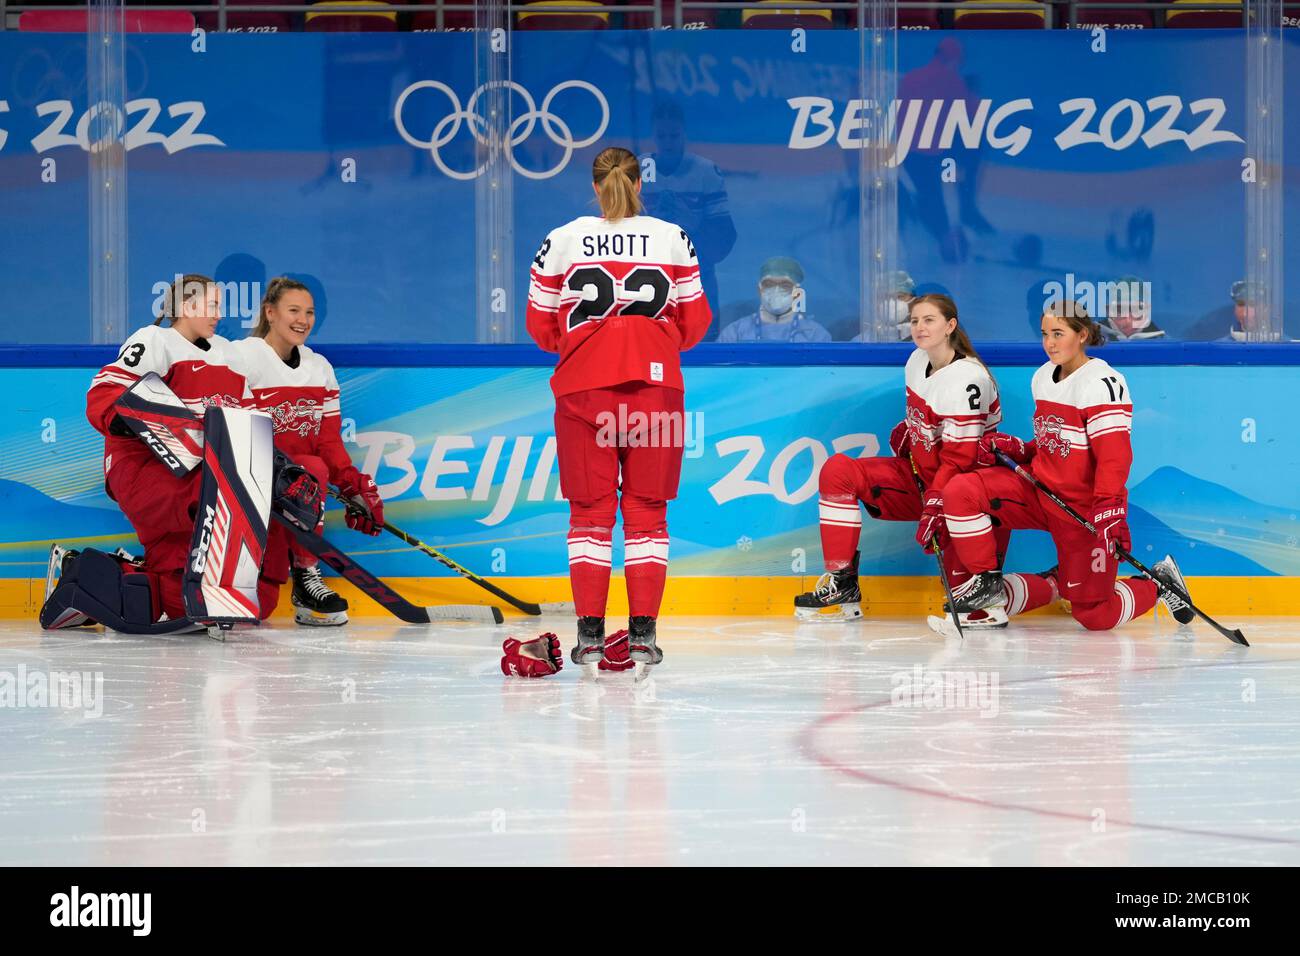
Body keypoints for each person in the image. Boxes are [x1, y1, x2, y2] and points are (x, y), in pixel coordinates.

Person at [525, 145, 712, 674]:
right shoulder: (674, 238)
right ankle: (643, 638)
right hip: (655, 393)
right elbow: (696, 324)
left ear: (594, 183)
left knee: (588, 518)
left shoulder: (559, 239)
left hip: (583, 393)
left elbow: (540, 328)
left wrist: (592, 346)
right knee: (648, 518)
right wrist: (648, 341)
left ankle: (587, 638)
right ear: (639, 182)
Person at [941, 300, 1193, 629]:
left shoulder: (1102, 383)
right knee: (963, 490)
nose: (1050, 343)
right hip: (1038, 491)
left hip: (1082, 508)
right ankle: (988, 587)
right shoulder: (1043, 377)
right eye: (1045, 334)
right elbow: (1054, 444)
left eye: (1059, 333)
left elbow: (1114, 455)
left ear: (1082, 334)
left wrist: (1109, 505)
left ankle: (1158, 583)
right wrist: (1020, 449)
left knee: (1094, 615)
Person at [795, 294, 1008, 623]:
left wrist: (936, 504)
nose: (920, 328)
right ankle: (842, 582)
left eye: (929, 320)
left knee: (973, 606)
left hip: (965, 497)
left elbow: (960, 460)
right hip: (924, 485)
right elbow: (924, 427)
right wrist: (910, 435)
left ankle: (1051, 584)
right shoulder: (916, 362)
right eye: (914, 321)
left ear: (950, 325)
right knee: (838, 471)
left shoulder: (968, 378)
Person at [83, 274, 252, 622]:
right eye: (213, 305)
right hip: (141, 467)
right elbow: (104, 391)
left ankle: (125, 576)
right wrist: (120, 417)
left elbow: (249, 420)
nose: (219, 314)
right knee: (183, 598)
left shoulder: (230, 355)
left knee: (217, 595)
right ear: (187, 306)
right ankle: (91, 577)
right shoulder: (154, 340)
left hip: (199, 472)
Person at [234, 277, 384, 626]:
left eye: (310, 312)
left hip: (297, 491)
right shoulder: (242, 358)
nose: (303, 320)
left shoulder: (319, 369)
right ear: (270, 313)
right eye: (294, 310)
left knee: (313, 467)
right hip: (250, 485)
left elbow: (328, 441)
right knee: (255, 608)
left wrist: (352, 486)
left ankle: (305, 575)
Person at [641, 100, 735, 340]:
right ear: (653, 134)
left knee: (704, 339)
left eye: (674, 135)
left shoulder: (705, 171)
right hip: (648, 272)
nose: (669, 142)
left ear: (684, 133)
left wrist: (690, 226)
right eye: (662, 136)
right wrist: (651, 222)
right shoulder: (638, 169)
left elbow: (724, 234)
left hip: (697, 272)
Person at [718, 257, 831, 343]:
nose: (776, 290)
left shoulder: (815, 334)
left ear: (797, 293)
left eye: (785, 285)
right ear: (759, 290)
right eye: (768, 284)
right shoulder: (736, 332)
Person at [1098, 275, 1164, 342]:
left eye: (1135, 310)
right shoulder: (1091, 339)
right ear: (1108, 311)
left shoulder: (1164, 343)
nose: (1128, 320)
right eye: (1120, 310)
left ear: (1146, 310)